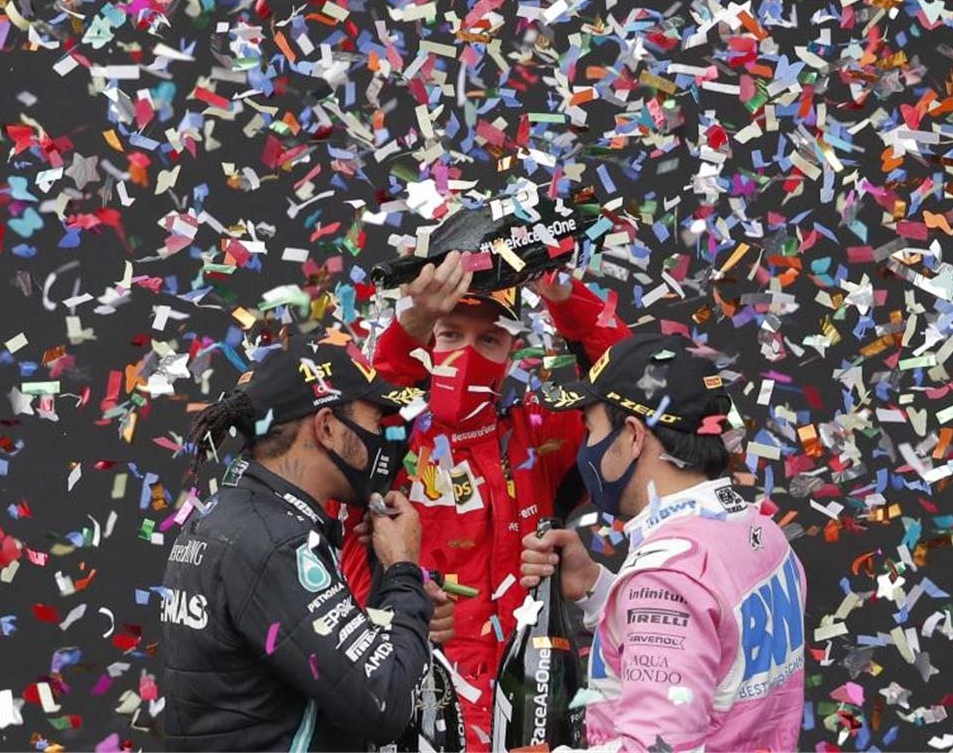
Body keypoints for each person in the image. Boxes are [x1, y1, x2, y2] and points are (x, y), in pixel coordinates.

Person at [330, 200, 631, 747]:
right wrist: (411, 324)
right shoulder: (384, 443)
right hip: (414, 706)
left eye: (488, 339)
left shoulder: (541, 434)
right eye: (449, 335)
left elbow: (631, 391)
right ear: (427, 343)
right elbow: (366, 408)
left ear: (514, 350)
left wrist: (565, 298)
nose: (467, 354)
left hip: (530, 709)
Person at [160, 330, 454, 751]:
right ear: (328, 427)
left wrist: (402, 604)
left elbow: (304, 667)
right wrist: (403, 570)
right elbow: (384, 702)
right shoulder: (279, 543)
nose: (381, 439)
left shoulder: (224, 514)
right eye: (375, 422)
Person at [521, 333, 807, 752]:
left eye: (591, 430)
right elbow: (711, 652)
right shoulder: (760, 530)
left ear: (634, 436)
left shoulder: (666, 579)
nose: (586, 450)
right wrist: (595, 585)